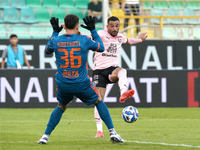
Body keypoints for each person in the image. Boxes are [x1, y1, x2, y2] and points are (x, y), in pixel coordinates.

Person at [38, 15, 124, 144]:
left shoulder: (56, 40)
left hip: (64, 82)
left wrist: (55, 31)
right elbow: (100, 48)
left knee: (61, 106)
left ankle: (45, 136)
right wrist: (93, 30)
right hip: (81, 83)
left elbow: (46, 51)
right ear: (78, 26)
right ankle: (113, 132)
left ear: (64, 26)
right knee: (99, 102)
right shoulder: (83, 40)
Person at [88, 16, 148, 138]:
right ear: (107, 26)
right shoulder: (100, 34)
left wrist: (140, 40)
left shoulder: (120, 37)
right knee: (99, 100)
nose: (115, 29)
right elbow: (87, 38)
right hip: (99, 71)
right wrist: (75, 33)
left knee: (122, 71)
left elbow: (129, 41)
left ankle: (123, 93)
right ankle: (99, 131)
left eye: (117, 26)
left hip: (111, 70)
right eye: (112, 26)